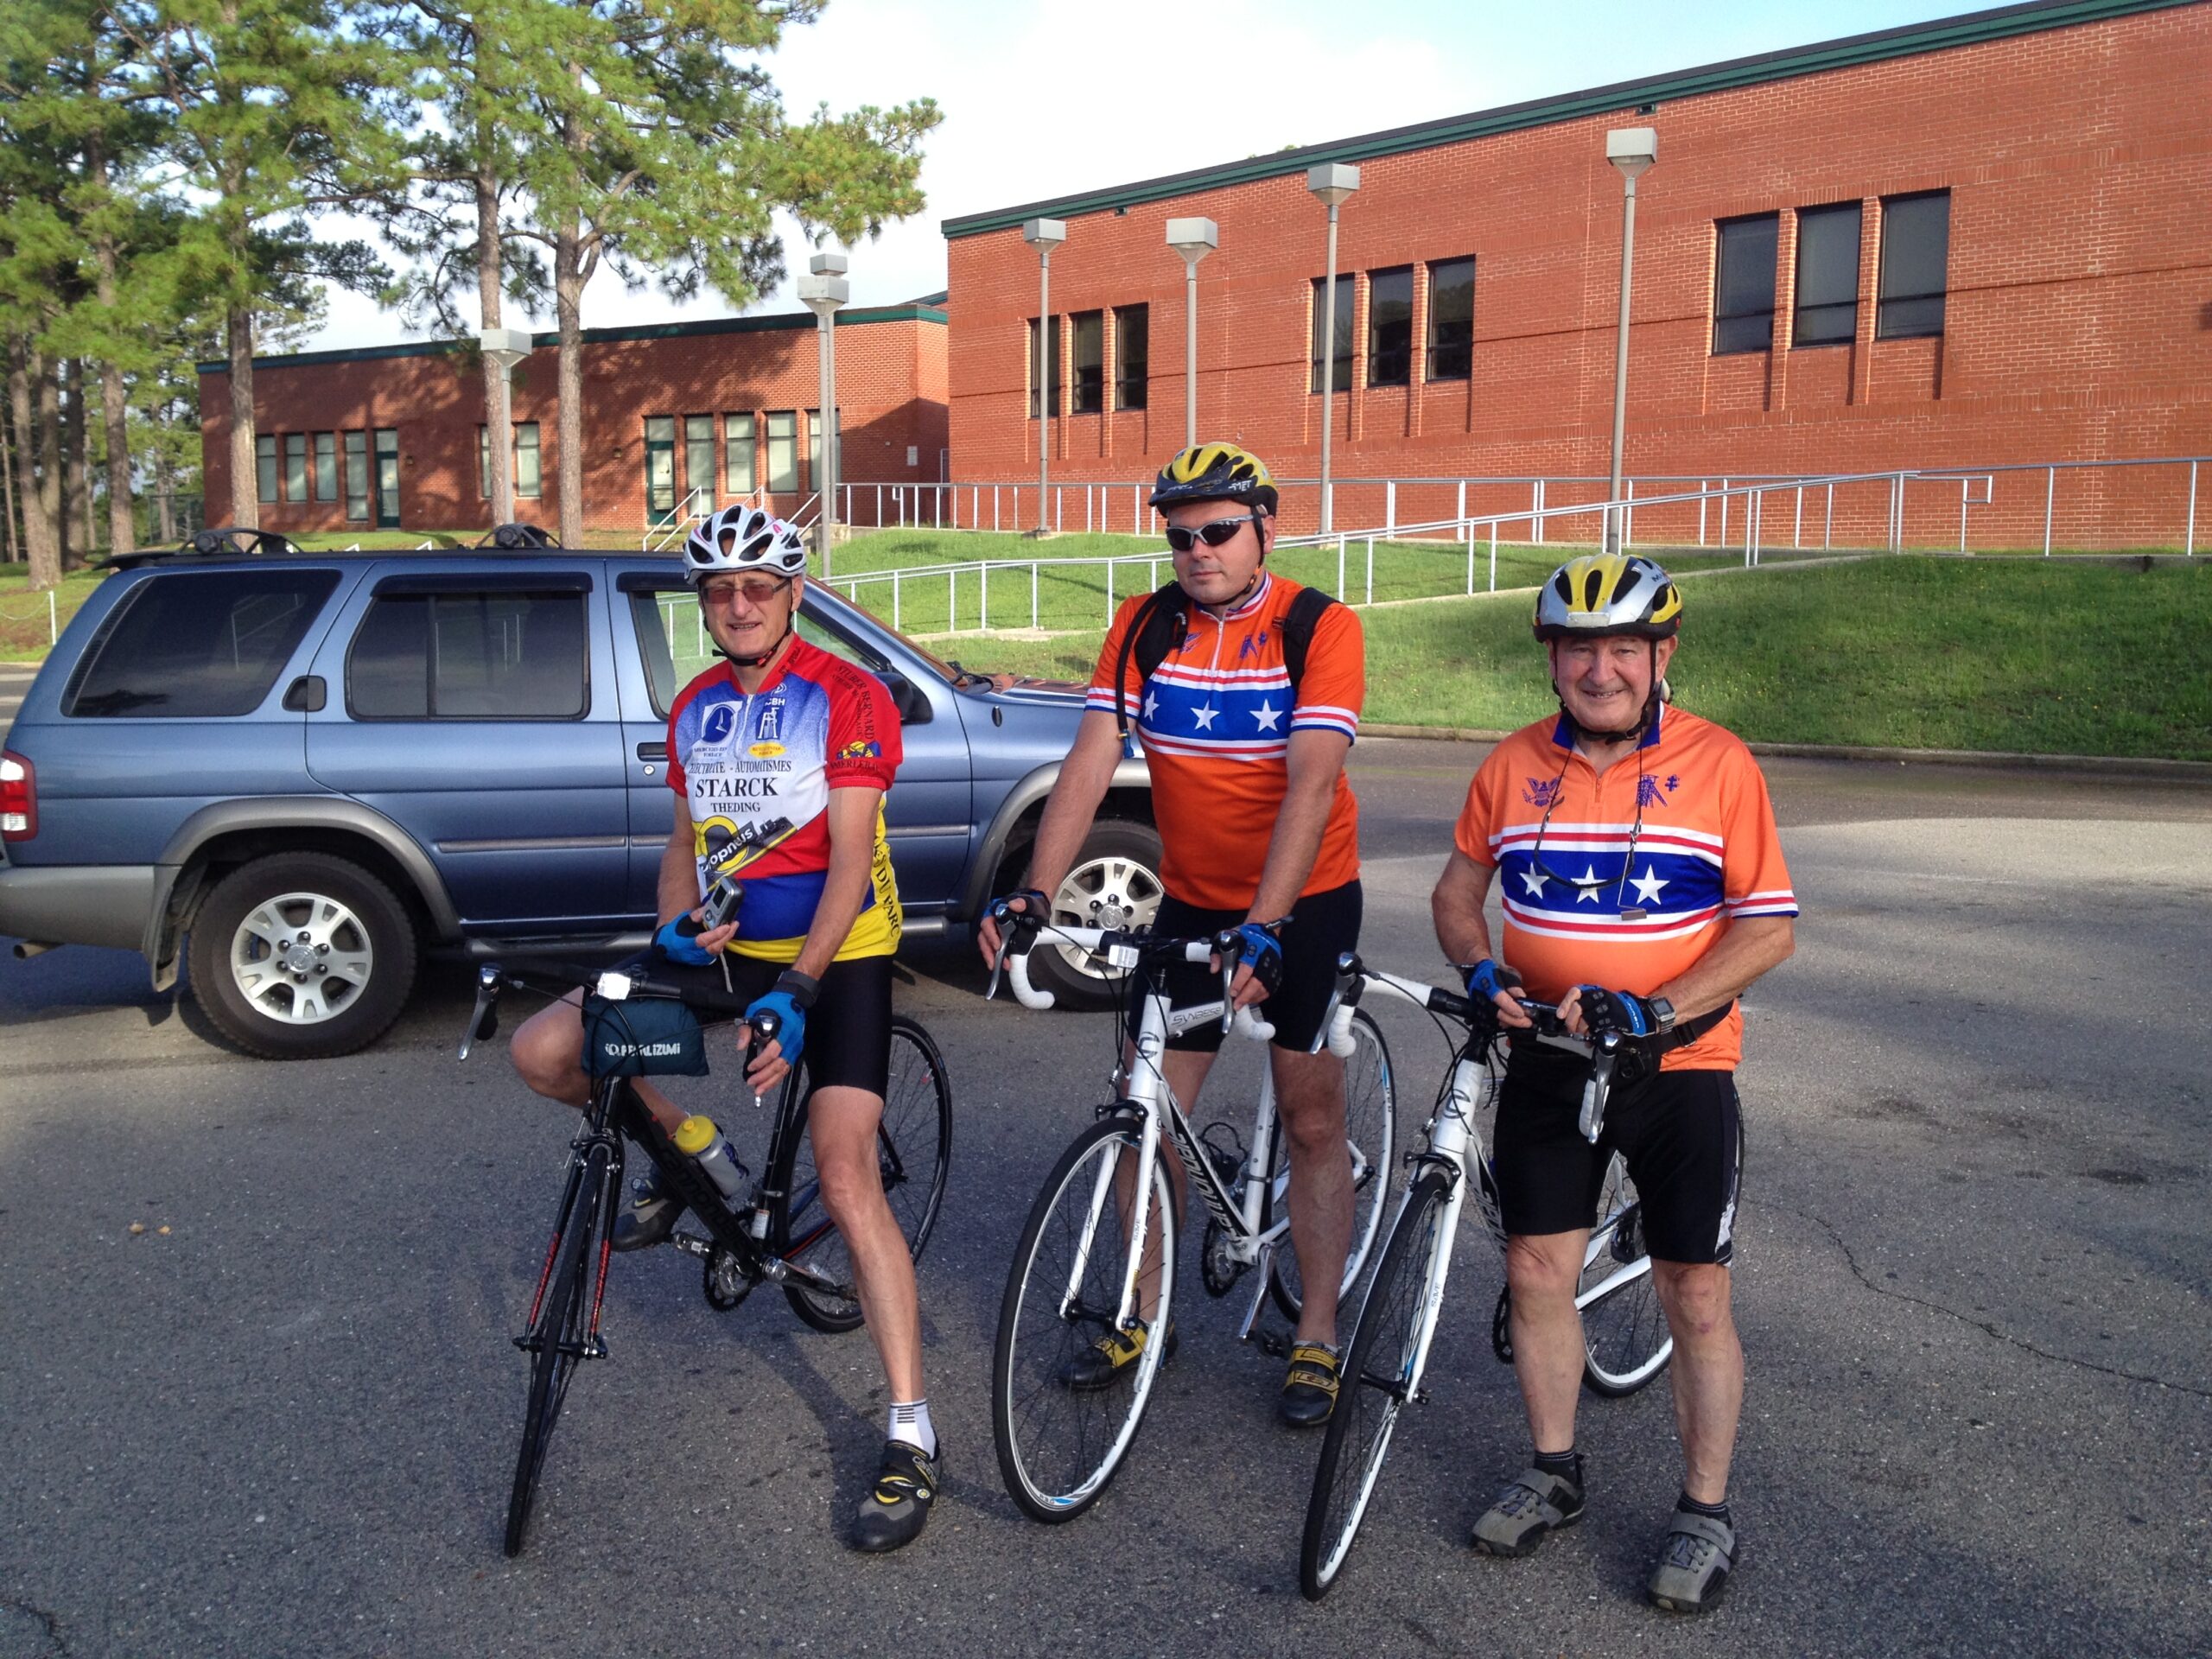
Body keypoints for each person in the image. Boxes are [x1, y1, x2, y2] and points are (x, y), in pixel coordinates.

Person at [508, 504, 939, 1553]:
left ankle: (910, 1430)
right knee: (548, 1050)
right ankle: (701, 1150)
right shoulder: (698, 702)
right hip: (724, 949)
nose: (738, 605)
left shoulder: (847, 695)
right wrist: (669, 925)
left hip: (838, 960)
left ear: (793, 593)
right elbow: (682, 841)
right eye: (718, 591)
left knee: (844, 1178)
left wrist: (793, 986)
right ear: (703, 604)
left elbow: (847, 864)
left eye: (758, 587)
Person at [1431, 552, 1796, 1613]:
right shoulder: (1507, 766)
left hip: (1675, 1063)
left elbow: (1766, 925)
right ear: (1553, 659)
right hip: (1545, 1053)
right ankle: (1553, 1469)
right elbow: (1460, 894)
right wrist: (1479, 965)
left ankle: (1703, 1510)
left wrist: (1664, 1007)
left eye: (1623, 648)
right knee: (1537, 1272)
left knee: (1694, 1288)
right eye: (1579, 648)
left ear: (1661, 655)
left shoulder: (1719, 764)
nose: (1601, 669)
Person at [977, 442, 1366, 1427]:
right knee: (1139, 1108)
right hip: (1191, 901)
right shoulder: (1146, 625)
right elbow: (1091, 757)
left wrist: (1270, 925)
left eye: (1219, 531)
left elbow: (1312, 783)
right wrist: (1033, 893)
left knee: (1312, 1118)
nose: (1197, 550)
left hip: (1306, 900)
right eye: (1180, 533)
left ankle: (1317, 1332)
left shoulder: (1319, 627)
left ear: (1265, 530)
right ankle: (1146, 1314)